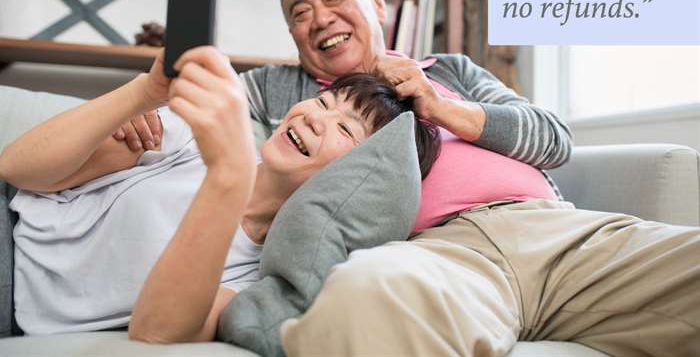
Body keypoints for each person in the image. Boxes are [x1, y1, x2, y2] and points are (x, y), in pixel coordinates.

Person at [116, 0, 699, 356]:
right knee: (370, 302)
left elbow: (554, 138)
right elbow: (193, 105)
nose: (318, 18)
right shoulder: (280, 92)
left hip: (553, 233)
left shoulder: (450, 70)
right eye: (299, 13)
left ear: (375, 1)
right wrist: (143, 106)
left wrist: (442, 107)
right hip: (434, 255)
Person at [0, 47, 441, 341]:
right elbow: (17, 168)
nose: (315, 118)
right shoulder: (189, 134)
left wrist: (227, 179)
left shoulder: (264, 277)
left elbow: (155, 329)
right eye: (324, 103)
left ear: (359, 177)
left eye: (346, 128)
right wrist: (142, 94)